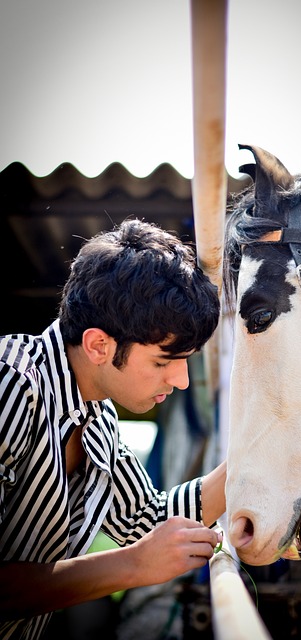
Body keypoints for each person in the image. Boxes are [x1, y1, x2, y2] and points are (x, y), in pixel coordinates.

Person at [0, 218, 226, 640]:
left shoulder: (97, 416)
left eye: (186, 361)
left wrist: (255, 461)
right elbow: (144, 551)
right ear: (98, 345)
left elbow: (148, 520)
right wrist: (135, 564)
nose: (181, 381)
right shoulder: (10, 383)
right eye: (164, 361)